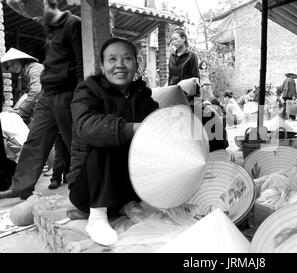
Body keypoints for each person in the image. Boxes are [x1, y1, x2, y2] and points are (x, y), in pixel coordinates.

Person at [69, 37, 159, 246]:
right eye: (112, 59)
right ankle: (97, 218)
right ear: (102, 66)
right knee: (108, 136)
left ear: (137, 64)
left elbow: (158, 126)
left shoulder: (142, 95)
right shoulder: (87, 91)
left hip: (128, 186)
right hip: (89, 188)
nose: (120, 65)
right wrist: (134, 128)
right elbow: (87, 127)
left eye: (127, 59)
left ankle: (133, 204)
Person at [0, 0, 83, 199]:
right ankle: (22, 187)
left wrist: (81, 98)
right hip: (48, 96)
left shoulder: (73, 24)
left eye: (37, 15)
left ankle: (84, 190)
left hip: (67, 93)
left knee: (75, 144)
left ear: (49, 4)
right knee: (34, 140)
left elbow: (82, 65)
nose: (36, 20)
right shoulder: (51, 32)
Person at [169, 28, 228, 152]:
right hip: (175, 95)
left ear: (184, 39)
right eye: (172, 39)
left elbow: (195, 78)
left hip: (190, 95)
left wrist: (197, 99)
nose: (173, 41)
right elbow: (170, 78)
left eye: (176, 39)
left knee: (208, 116)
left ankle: (217, 150)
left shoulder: (191, 56)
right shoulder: (171, 57)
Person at [0, 48, 43, 125]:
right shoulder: (25, 74)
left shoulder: (34, 67)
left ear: (21, 60)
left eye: (12, 63)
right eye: (7, 67)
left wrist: (23, 110)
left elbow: (36, 90)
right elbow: (29, 95)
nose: (10, 67)